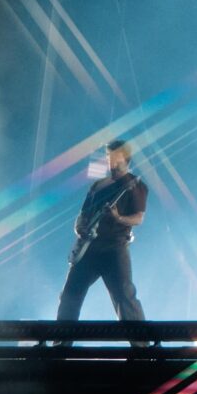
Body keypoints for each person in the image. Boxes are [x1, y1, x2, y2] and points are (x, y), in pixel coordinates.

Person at [56, 138, 148, 322]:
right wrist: (80, 228)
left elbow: (138, 218)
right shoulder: (98, 186)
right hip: (89, 249)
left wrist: (118, 217)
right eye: (108, 156)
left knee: (124, 296)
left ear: (125, 158)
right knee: (69, 296)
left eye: (115, 156)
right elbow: (83, 214)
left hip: (114, 247)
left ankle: (140, 339)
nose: (110, 160)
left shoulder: (135, 185)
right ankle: (62, 337)